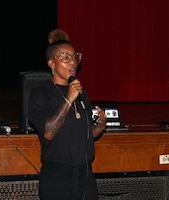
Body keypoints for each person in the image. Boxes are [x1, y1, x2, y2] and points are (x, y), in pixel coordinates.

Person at [28, 29, 107, 200]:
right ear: (51, 63)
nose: (72, 62)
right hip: (58, 175)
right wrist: (69, 99)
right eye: (65, 57)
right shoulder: (40, 94)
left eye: (74, 57)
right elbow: (48, 132)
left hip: (85, 174)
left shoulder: (81, 92)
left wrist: (99, 127)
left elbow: (85, 134)